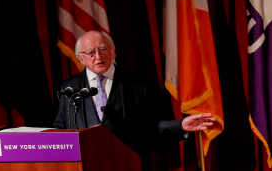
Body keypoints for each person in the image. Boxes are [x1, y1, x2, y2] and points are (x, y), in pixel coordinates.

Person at [53, 31, 216, 154]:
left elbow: (150, 126)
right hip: (86, 170)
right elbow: (61, 128)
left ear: (112, 51)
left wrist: (181, 126)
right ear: (81, 58)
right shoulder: (69, 87)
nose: (98, 56)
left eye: (103, 49)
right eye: (91, 53)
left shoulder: (136, 84)